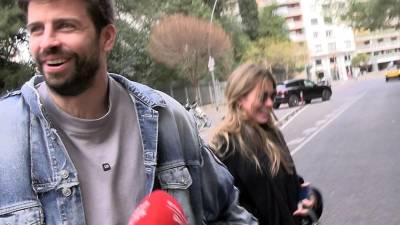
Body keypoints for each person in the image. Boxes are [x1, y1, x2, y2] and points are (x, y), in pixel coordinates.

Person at [0, 0, 258, 224]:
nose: (47, 42)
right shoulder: (5, 137)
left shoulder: (168, 120)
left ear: (107, 37)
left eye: (66, 26)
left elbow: (230, 213)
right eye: (36, 29)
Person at [210, 63, 322, 225]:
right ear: (240, 98)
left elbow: (292, 185)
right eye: (263, 97)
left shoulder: (273, 134)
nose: (270, 103)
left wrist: (312, 198)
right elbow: (221, 213)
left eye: (272, 96)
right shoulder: (225, 146)